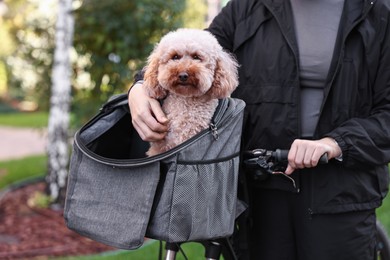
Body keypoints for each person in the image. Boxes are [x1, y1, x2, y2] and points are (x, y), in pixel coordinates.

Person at [128, 0, 390, 259]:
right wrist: (139, 88)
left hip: (342, 194)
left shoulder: (377, 11)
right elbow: (196, 50)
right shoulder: (247, 7)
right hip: (261, 190)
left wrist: (334, 143)